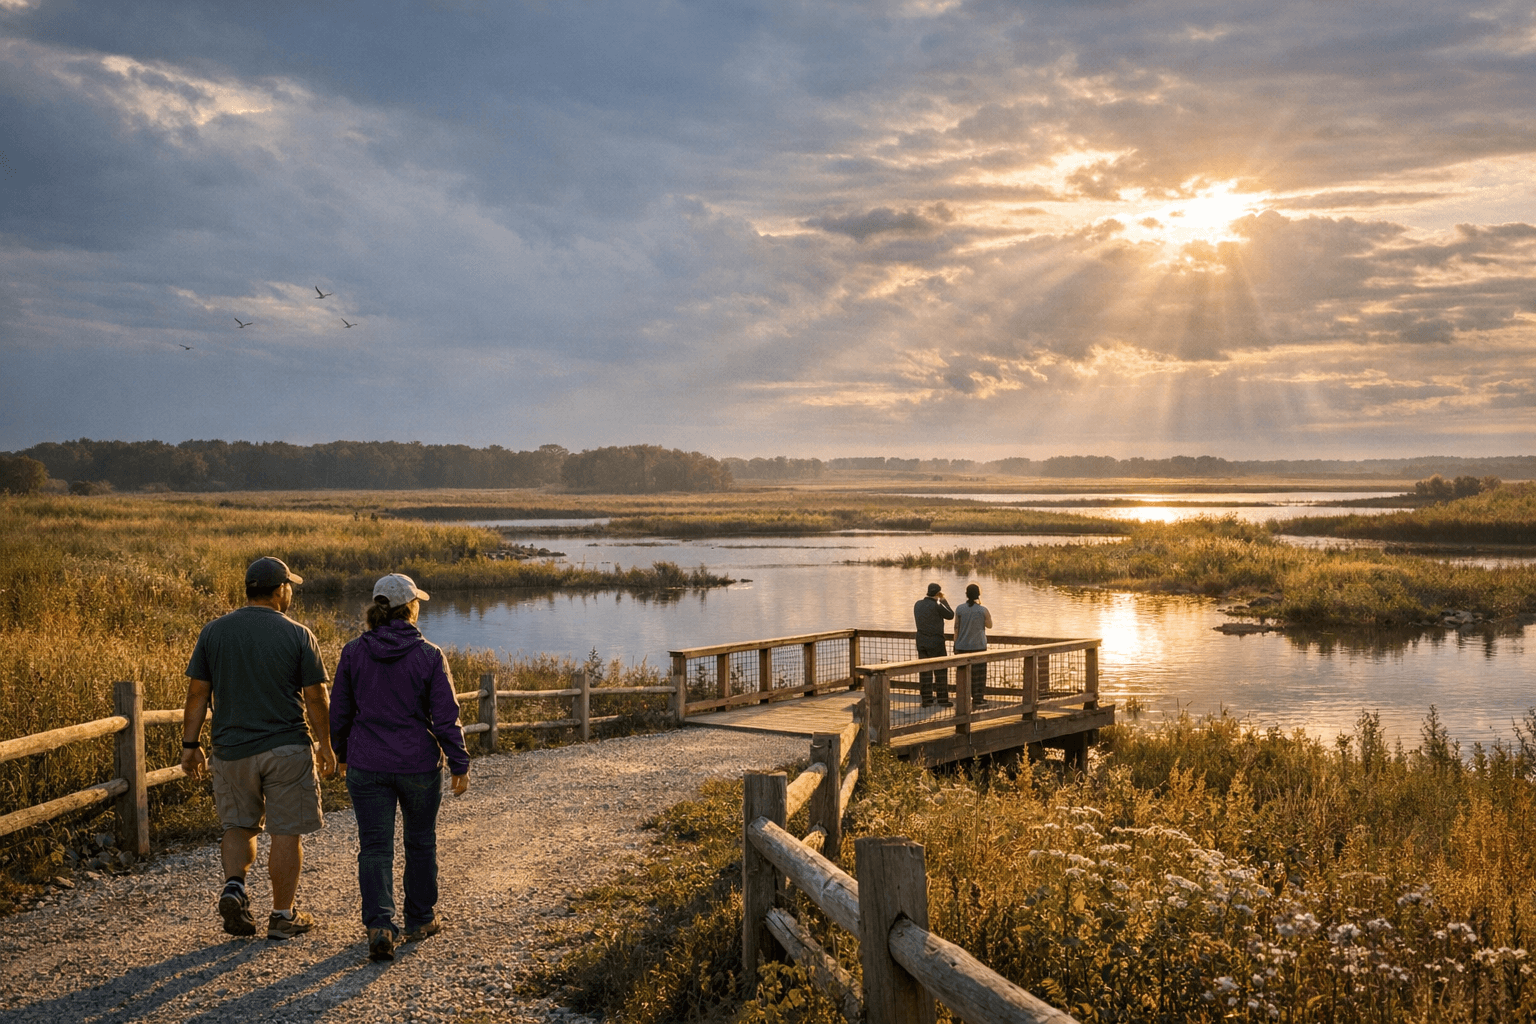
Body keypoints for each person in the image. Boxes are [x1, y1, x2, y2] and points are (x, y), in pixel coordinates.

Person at [182, 556, 336, 940]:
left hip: (230, 750)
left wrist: (190, 745)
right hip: (286, 748)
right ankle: (282, 916)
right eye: (290, 587)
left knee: (238, 826)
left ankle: (234, 886)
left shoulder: (213, 632)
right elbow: (316, 697)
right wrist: (327, 744)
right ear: (280, 589)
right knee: (285, 831)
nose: (291, 594)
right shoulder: (299, 634)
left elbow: (198, 693)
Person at [330, 573, 470, 963]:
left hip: (367, 763)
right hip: (418, 764)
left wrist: (341, 754)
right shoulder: (429, 655)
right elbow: (445, 716)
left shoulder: (353, 652)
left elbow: (339, 711)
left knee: (374, 847)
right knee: (420, 841)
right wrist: (459, 762)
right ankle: (420, 919)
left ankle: (379, 925)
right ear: (411, 608)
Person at [913, 582, 954, 707]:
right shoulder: (937, 605)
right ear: (938, 593)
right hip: (936, 642)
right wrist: (943, 600)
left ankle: (927, 700)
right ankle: (942, 700)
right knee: (940, 671)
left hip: (921, 642)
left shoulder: (917, 604)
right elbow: (950, 615)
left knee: (924, 672)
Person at [953, 583, 994, 707]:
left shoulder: (959, 609)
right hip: (978, 647)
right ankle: (978, 699)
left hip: (962, 646)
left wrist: (955, 644)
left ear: (966, 594)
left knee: (962, 674)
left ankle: (962, 699)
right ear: (978, 595)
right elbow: (989, 625)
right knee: (979, 675)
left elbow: (956, 628)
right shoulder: (983, 610)